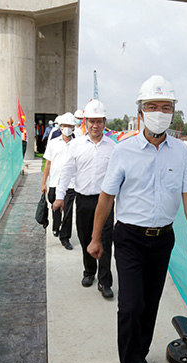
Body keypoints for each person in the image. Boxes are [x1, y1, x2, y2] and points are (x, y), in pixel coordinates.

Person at [87, 75, 187, 363]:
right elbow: (106, 198)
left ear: (172, 113)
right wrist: (97, 239)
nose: (159, 112)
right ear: (141, 112)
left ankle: (141, 354)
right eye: (152, 106)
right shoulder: (124, 151)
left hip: (162, 239)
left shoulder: (180, 152)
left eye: (165, 107)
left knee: (150, 303)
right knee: (131, 305)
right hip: (129, 239)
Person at [53, 99, 115, 299]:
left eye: (99, 121)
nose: (95, 125)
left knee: (105, 241)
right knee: (85, 237)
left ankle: (105, 281)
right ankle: (89, 272)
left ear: (104, 122)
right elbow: (67, 172)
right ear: (85, 123)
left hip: (105, 202)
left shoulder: (113, 148)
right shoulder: (76, 145)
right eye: (91, 121)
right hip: (83, 200)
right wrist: (60, 197)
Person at [42, 112, 76, 250]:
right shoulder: (53, 144)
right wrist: (44, 183)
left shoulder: (78, 144)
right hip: (54, 182)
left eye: (70, 125)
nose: (67, 128)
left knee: (68, 211)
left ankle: (65, 237)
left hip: (71, 184)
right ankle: (56, 226)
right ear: (60, 127)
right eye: (65, 125)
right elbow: (48, 164)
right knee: (56, 208)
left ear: (74, 128)